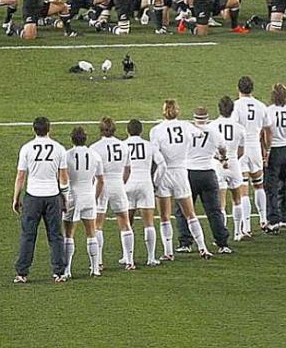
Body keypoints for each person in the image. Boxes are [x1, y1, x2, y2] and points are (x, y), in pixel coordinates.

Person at [150, 100, 213, 260]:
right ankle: (203, 248)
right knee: (190, 213)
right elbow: (200, 133)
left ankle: (168, 252)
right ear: (177, 111)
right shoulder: (186, 126)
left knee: (165, 216)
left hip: (165, 174)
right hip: (181, 173)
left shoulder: (156, 130)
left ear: (164, 111)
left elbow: (155, 155)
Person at [12, 116, 68, 284]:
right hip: (52, 196)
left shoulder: (27, 148)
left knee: (28, 235)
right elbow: (63, 177)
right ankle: (59, 272)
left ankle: (22, 273)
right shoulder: (59, 149)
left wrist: (16, 198)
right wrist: (65, 198)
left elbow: (21, 176)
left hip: (33, 197)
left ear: (34, 130)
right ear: (49, 129)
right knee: (56, 236)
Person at [175, 107, 232, 254]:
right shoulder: (214, 132)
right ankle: (222, 243)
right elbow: (223, 149)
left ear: (194, 118)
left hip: (188, 173)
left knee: (183, 210)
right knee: (214, 210)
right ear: (207, 118)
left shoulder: (187, 131)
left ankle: (185, 242)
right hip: (207, 173)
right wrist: (222, 157)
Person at [90, 117, 135, 271]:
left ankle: (99, 262)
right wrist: (121, 184)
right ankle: (130, 261)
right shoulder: (124, 146)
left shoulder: (94, 148)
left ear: (101, 130)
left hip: (101, 185)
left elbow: (91, 173)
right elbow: (128, 170)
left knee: (97, 225)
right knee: (125, 222)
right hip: (118, 184)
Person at [123, 119, 166, 267]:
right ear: (141, 131)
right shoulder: (149, 146)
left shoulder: (122, 145)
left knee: (127, 223)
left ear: (127, 131)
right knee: (149, 223)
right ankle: (151, 257)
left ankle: (127, 258)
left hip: (128, 184)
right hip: (145, 184)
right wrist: (156, 181)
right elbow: (162, 165)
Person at [63, 126, 104, 278]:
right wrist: (94, 197)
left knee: (69, 234)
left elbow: (62, 178)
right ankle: (95, 269)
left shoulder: (67, 155)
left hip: (73, 196)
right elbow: (101, 180)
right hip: (89, 195)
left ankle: (67, 270)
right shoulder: (95, 155)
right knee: (91, 233)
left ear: (71, 139)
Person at [233, 76, 270, 234]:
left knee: (243, 189)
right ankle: (263, 219)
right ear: (252, 89)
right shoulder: (261, 106)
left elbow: (233, 129)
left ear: (238, 89)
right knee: (259, 184)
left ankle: (246, 226)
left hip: (242, 149)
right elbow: (267, 130)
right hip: (255, 147)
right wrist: (266, 150)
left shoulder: (235, 106)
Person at [263, 83, 286, 232]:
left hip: (273, 151)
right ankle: (285, 216)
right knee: (285, 184)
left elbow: (264, 134)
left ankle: (273, 218)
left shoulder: (268, 112)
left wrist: (265, 151)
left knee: (271, 185)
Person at [210, 96, 246, 241]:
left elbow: (210, 150)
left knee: (221, 204)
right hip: (234, 164)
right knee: (237, 199)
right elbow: (241, 151)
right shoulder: (240, 128)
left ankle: (222, 236)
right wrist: (231, 159)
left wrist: (220, 159)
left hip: (218, 166)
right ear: (233, 109)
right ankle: (238, 232)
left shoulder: (212, 126)